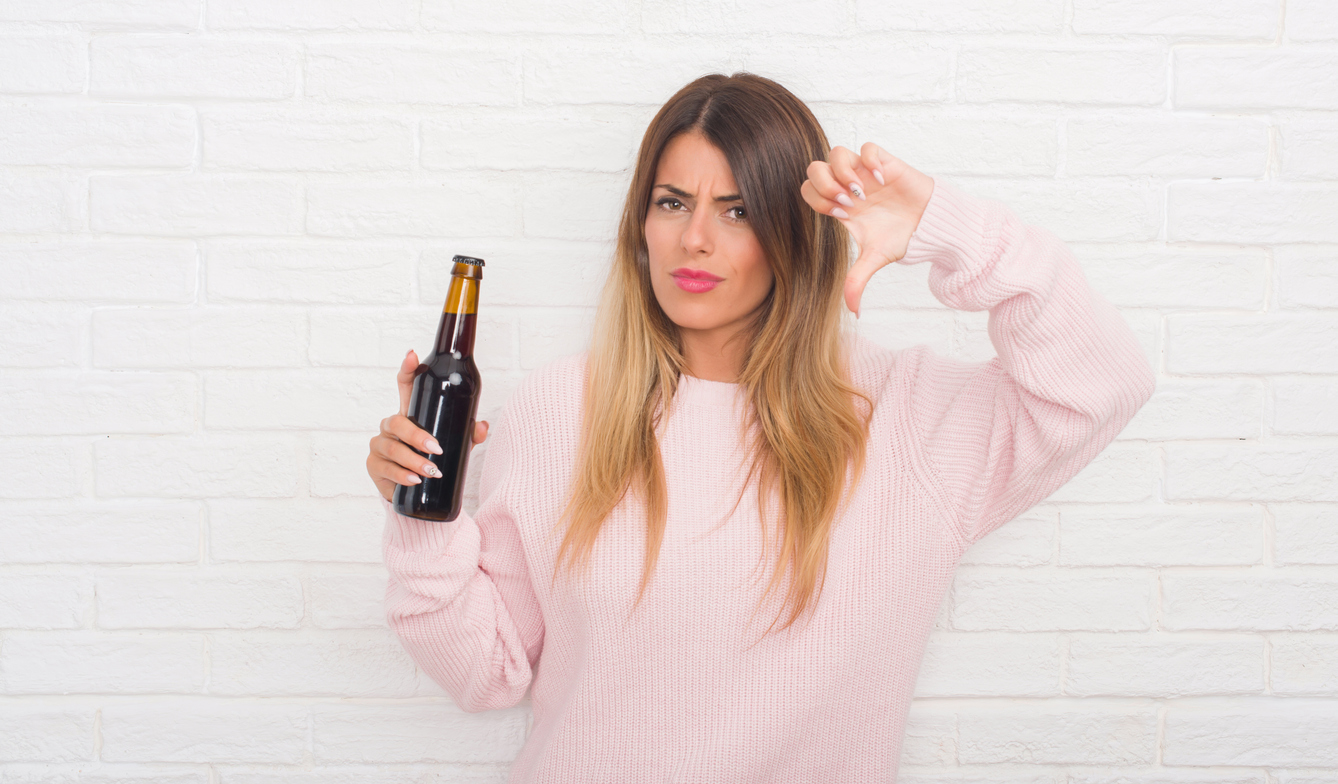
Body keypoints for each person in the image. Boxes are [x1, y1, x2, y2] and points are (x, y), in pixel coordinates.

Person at [364, 72, 1155, 783]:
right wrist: (422, 516)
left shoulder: (904, 419)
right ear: (641, 226)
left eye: (737, 209)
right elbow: (486, 674)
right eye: (672, 202)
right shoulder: (563, 407)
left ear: (792, 233)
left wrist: (952, 232)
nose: (694, 238)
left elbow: (1101, 384)